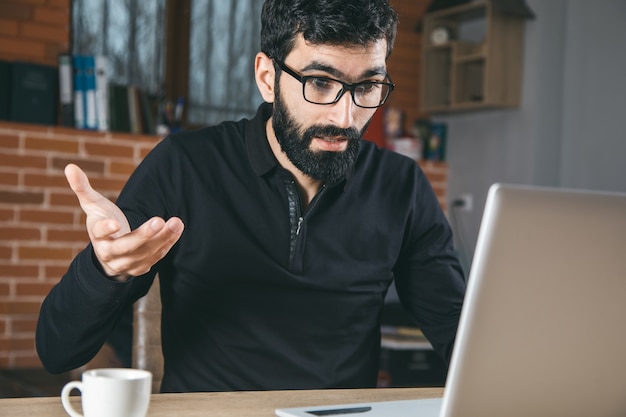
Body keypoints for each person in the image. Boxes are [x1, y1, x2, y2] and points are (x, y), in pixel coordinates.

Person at [36, 0, 466, 392]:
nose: (345, 115)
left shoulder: (400, 185)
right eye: (319, 83)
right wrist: (104, 270)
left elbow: (458, 331)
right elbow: (58, 352)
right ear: (267, 77)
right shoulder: (185, 166)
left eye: (368, 86)